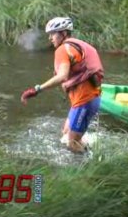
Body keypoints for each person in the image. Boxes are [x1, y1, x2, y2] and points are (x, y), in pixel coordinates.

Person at [21, 17, 104, 154]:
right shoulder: (76, 45)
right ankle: (88, 151)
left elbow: (62, 76)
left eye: (53, 34)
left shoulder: (62, 50)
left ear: (64, 33)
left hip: (84, 101)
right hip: (90, 98)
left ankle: (89, 168)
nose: (50, 38)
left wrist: (37, 89)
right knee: (66, 133)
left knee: (72, 144)